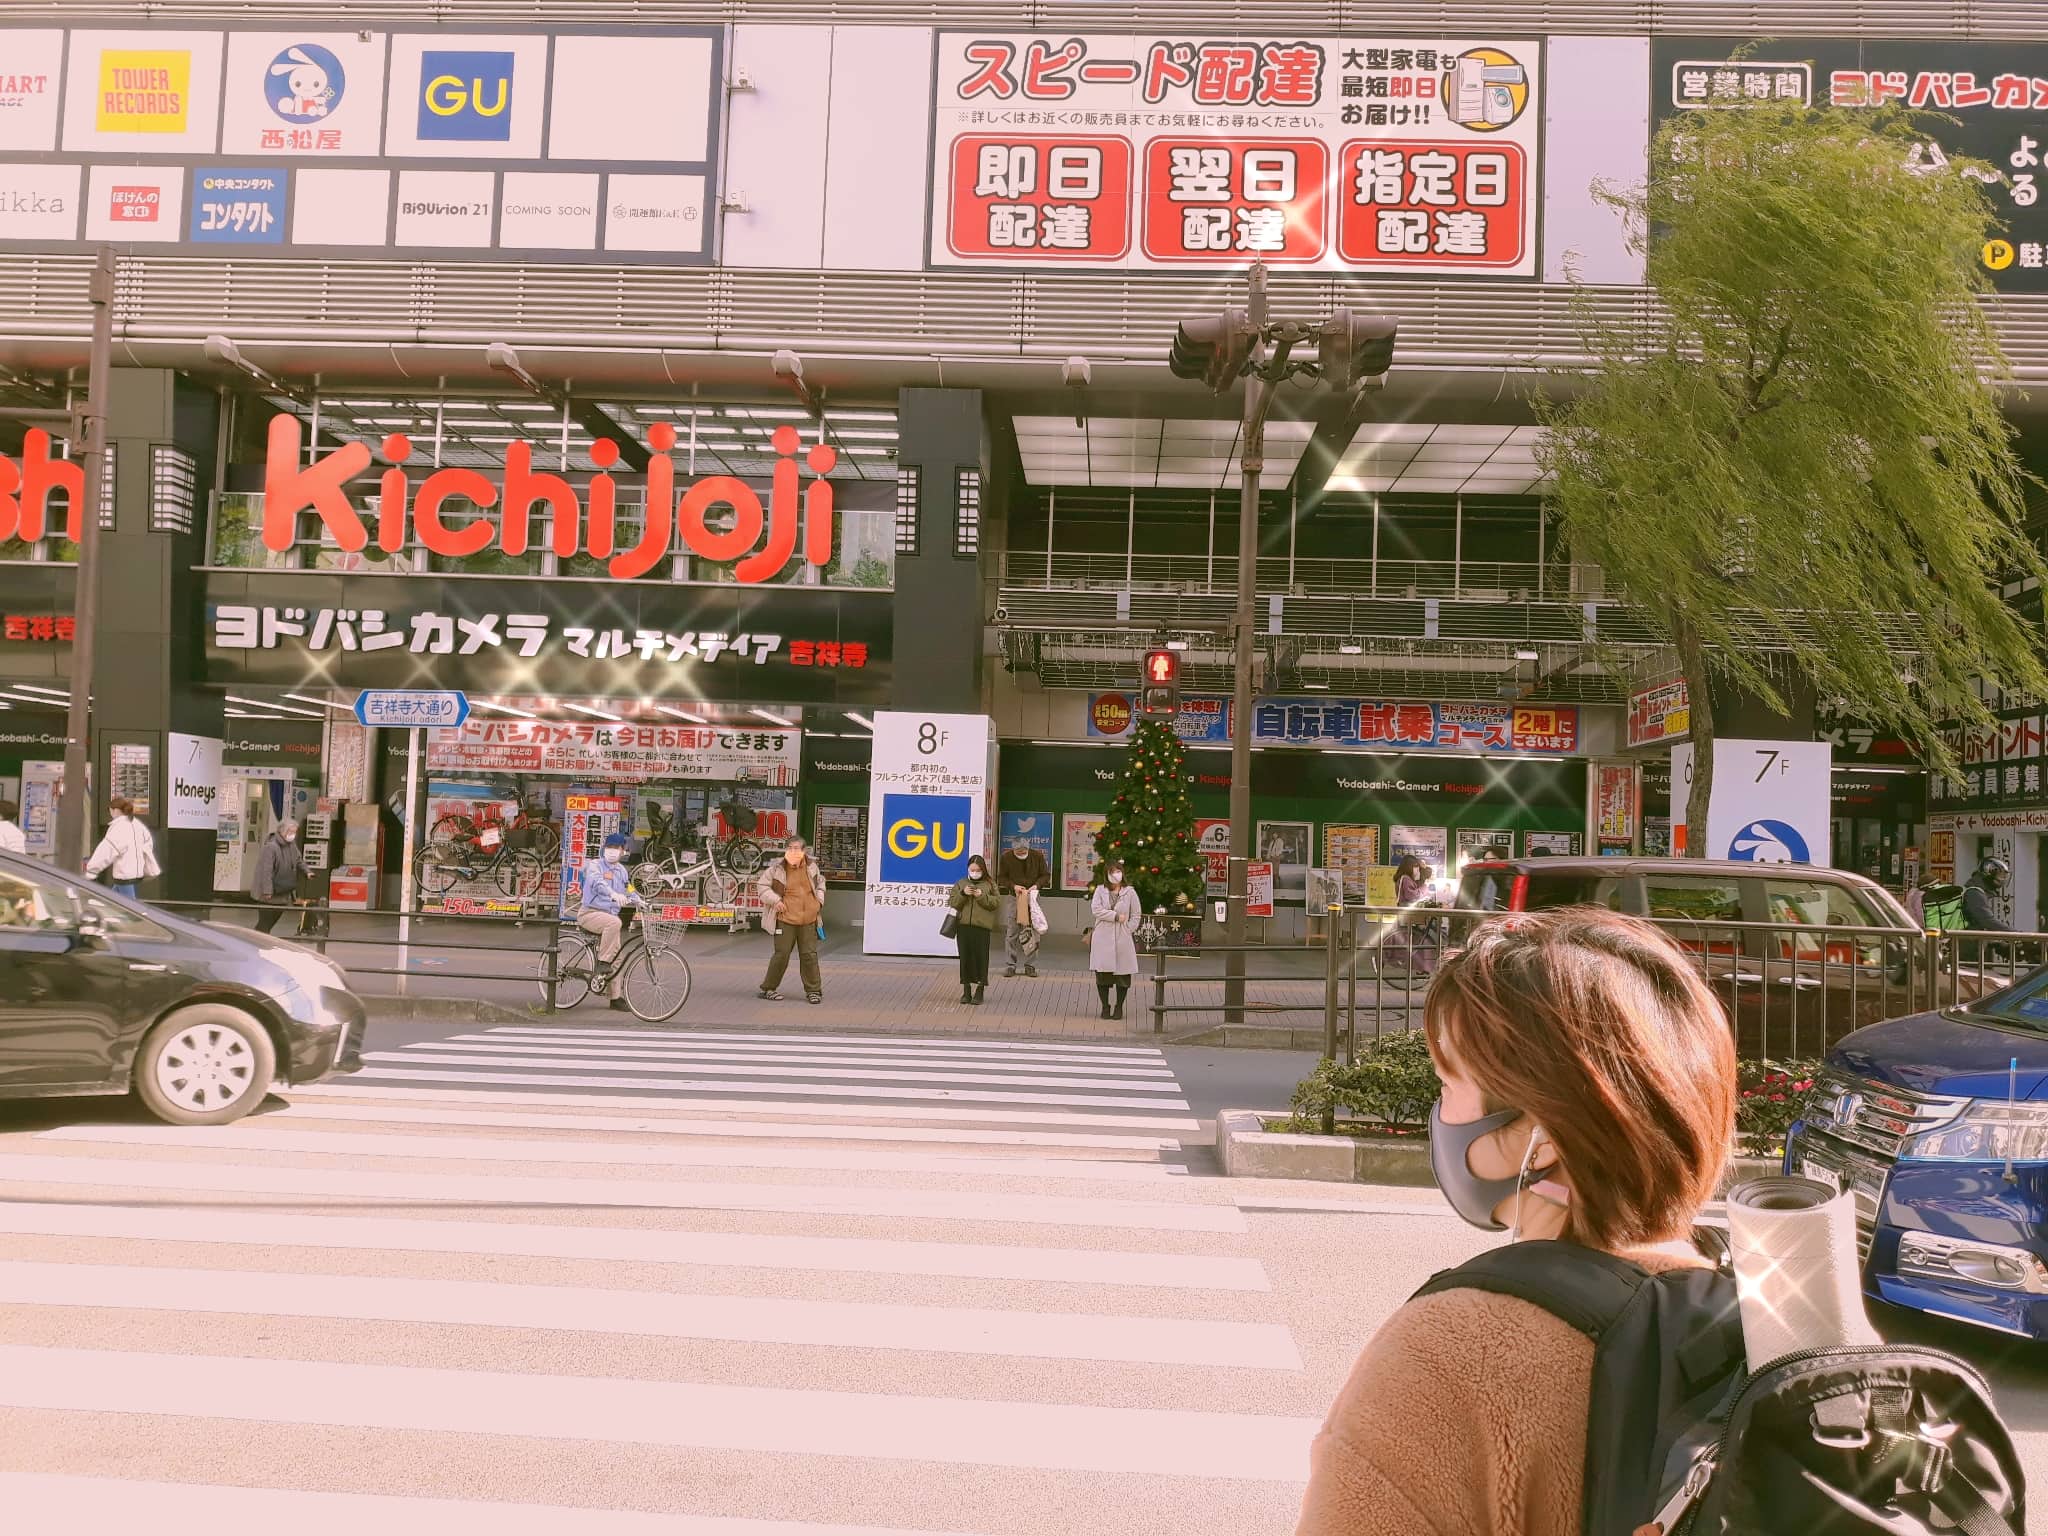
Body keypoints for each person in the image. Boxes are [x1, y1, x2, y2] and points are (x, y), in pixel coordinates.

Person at [1296, 908, 1737, 1536]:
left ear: (1542, 1134)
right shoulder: (1762, 1319)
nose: (1440, 1116)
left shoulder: (1451, 1353)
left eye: (1448, 1087)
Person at [758, 834, 827, 1004]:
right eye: (790, 848)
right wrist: (776, 901)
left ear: (804, 851)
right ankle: (768, 988)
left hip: (809, 919)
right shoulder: (777, 869)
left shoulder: (812, 867)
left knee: (809, 956)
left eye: (796, 848)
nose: (793, 852)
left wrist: (819, 901)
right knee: (781, 955)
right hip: (785, 919)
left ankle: (813, 991)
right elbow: (762, 887)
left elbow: (821, 884)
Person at [576, 831, 635, 1012]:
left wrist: (640, 900)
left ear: (623, 851)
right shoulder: (595, 865)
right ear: (604, 848)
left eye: (616, 847)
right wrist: (612, 894)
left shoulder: (622, 871)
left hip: (608, 916)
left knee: (617, 958)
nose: (612, 850)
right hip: (590, 913)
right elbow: (597, 882)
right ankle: (603, 962)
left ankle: (614, 998)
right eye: (609, 847)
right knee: (614, 923)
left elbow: (629, 888)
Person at [1088, 859, 1141, 1020]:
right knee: (1102, 975)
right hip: (1103, 936)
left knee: (1123, 975)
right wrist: (1116, 916)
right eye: (1112, 872)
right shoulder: (1100, 890)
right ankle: (1105, 1006)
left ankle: (1119, 1007)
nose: (1116, 875)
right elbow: (1096, 910)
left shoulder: (1130, 892)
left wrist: (1128, 929)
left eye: (1118, 871)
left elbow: (1136, 914)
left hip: (1122, 938)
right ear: (1107, 874)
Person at [948, 854, 1002, 1004]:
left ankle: (980, 990)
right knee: (965, 958)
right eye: (972, 870)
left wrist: (981, 896)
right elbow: (952, 902)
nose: (975, 873)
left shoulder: (990, 884)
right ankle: (966, 991)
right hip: (963, 926)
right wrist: (963, 893)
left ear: (983, 870)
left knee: (981, 958)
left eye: (978, 870)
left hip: (982, 928)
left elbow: (996, 903)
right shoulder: (961, 883)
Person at [996, 828, 1050, 977]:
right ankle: (1010, 965)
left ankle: (1030, 965)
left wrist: (1036, 886)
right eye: (1018, 852)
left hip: (1033, 897)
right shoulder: (1006, 857)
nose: (1021, 854)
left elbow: (1045, 875)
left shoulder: (1037, 856)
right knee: (1012, 932)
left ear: (1028, 848)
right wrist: (1013, 886)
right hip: (1015, 897)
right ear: (1013, 850)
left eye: (1023, 851)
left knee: (1034, 932)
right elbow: (1002, 878)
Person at [85, 797, 159, 898]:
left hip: (124, 875)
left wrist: (92, 870)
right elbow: (148, 843)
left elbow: (106, 850)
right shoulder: (138, 825)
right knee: (113, 900)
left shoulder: (119, 828)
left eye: (110, 810)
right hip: (137, 873)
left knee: (129, 905)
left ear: (115, 810)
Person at [249, 819, 307, 934]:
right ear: (282, 831)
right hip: (269, 893)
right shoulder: (271, 847)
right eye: (291, 832)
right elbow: (266, 871)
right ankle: (256, 941)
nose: (293, 835)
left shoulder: (292, 846)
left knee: (270, 921)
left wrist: (307, 871)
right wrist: (267, 891)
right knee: (265, 923)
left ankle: (257, 939)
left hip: (282, 890)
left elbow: (298, 860)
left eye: (295, 832)